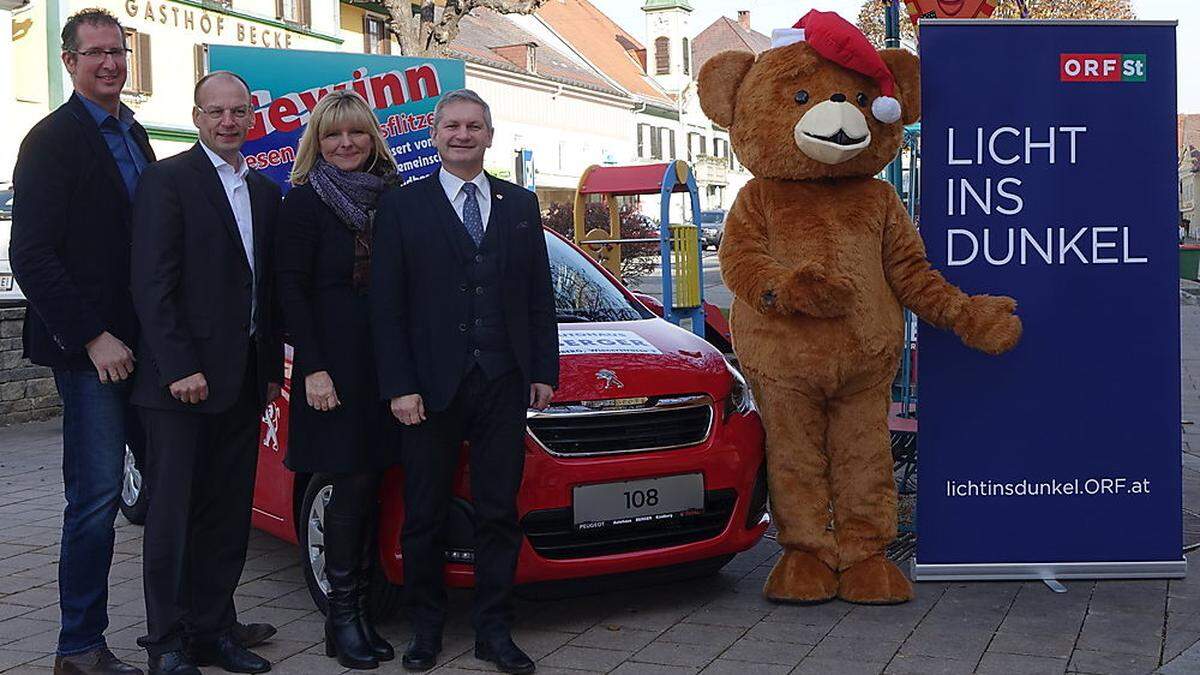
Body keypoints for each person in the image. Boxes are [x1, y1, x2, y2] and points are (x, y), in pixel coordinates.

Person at [371, 89, 558, 675]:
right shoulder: (403, 206)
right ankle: (425, 629)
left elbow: (536, 299)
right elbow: (387, 305)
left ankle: (493, 631)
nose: (462, 135)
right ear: (434, 135)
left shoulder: (520, 205)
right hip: (427, 389)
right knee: (424, 511)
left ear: (490, 134)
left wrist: (543, 373)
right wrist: (399, 385)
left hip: (503, 381)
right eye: (451, 126)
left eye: (473, 126)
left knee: (499, 511)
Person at [8, 9, 152, 674]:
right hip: (92, 354)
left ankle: (193, 622)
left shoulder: (136, 134)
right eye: (94, 53)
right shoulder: (52, 140)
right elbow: (31, 255)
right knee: (95, 498)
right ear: (69, 61)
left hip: (152, 349)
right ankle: (78, 645)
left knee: (176, 489)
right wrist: (95, 337)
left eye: (117, 52)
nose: (109, 64)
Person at [130, 71, 282, 675]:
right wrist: (180, 365)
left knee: (225, 514)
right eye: (214, 111)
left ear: (252, 119)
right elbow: (151, 284)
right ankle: (166, 641)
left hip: (242, 380)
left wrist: (268, 370)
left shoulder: (265, 193)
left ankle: (215, 629)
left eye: (238, 111)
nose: (227, 121)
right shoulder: (166, 182)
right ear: (196, 115)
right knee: (171, 516)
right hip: (179, 386)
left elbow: (264, 293)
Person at [274, 90, 400, 670]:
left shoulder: (391, 199)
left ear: (372, 137)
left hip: (384, 367)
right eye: (331, 135)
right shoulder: (303, 204)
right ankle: (341, 619)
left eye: (355, 133)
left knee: (371, 486)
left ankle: (362, 613)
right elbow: (289, 293)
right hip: (333, 371)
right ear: (316, 143)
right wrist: (314, 368)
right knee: (346, 489)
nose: (344, 143)